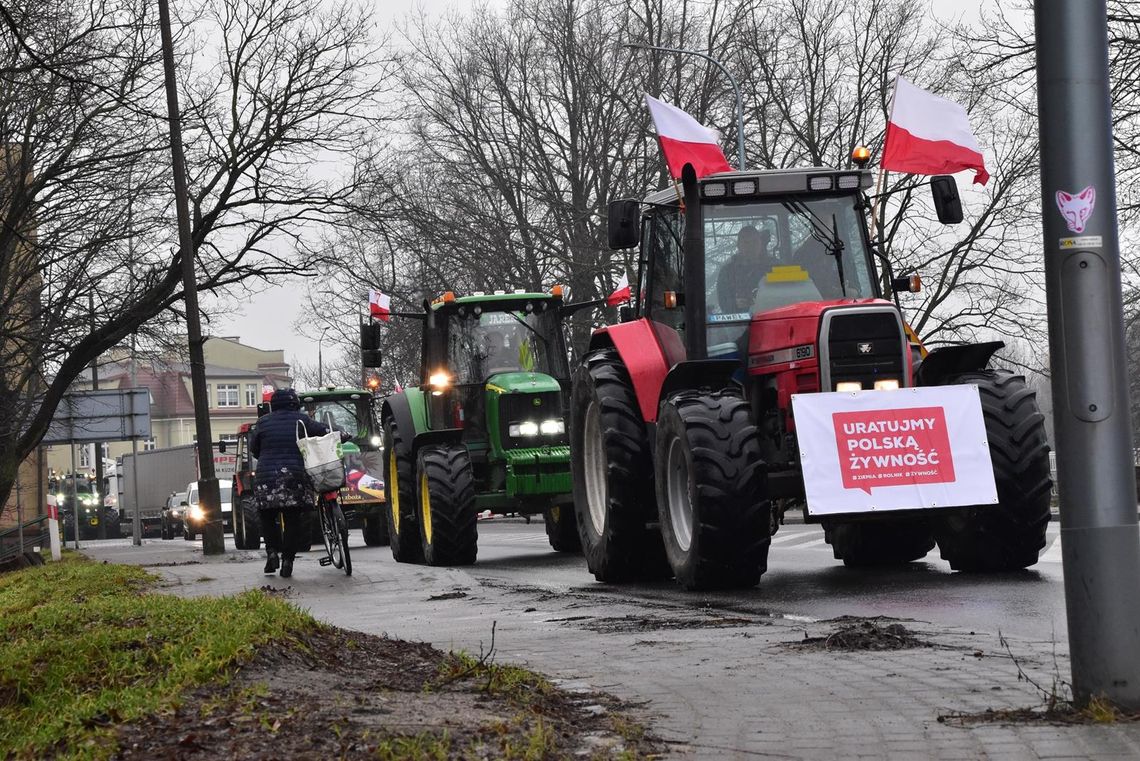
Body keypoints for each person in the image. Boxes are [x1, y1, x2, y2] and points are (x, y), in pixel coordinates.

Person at [249, 388, 329, 578]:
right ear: (295, 403)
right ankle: (287, 560)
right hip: (294, 476)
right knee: (293, 520)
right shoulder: (302, 420)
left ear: (273, 405)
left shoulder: (262, 422)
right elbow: (324, 431)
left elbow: (254, 449)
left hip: (266, 479)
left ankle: (271, 552)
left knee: (267, 517)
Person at [717, 225, 774, 313]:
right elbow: (723, 303)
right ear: (738, 245)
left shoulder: (775, 266)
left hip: (774, 318)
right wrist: (735, 304)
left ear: (761, 243)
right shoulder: (727, 272)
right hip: (740, 323)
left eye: (755, 241)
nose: (751, 246)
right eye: (746, 242)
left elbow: (788, 295)